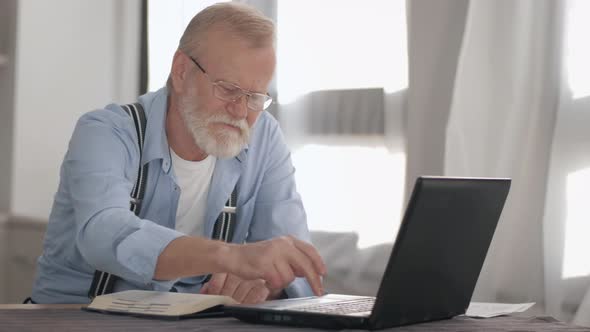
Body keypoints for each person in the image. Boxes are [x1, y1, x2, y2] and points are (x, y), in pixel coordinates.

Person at [31, 2, 326, 304]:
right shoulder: (106, 132)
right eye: (227, 89)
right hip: (74, 318)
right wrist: (231, 257)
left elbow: (294, 262)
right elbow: (104, 235)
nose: (240, 111)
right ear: (181, 71)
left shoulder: (264, 139)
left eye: (254, 97)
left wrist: (266, 281)